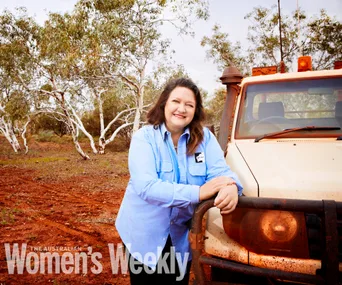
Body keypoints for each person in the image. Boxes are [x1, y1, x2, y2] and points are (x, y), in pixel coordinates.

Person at [115, 78, 243, 285]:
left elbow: (220, 171)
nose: (181, 109)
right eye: (176, 101)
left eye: (189, 105)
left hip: (180, 236)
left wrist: (230, 186)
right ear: (164, 103)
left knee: (177, 280)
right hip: (145, 234)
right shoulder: (144, 138)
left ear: (195, 110)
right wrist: (199, 192)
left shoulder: (205, 139)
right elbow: (146, 186)